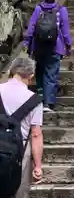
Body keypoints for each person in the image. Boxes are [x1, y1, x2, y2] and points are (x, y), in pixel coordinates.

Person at [0, 57, 43, 197]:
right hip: (17, 155)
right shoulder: (34, 100)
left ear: (12, 71)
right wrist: (37, 166)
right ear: (31, 75)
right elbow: (36, 135)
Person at [24, 0, 72, 112]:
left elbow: (31, 27)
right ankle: (48, 103)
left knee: (40, 70)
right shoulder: (61, 10)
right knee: (51, 73)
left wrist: (27, 42)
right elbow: (65, 30)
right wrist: (68, 45)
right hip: (55, 46)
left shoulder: (38, 9)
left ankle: (40, 96)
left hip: (38, 45)